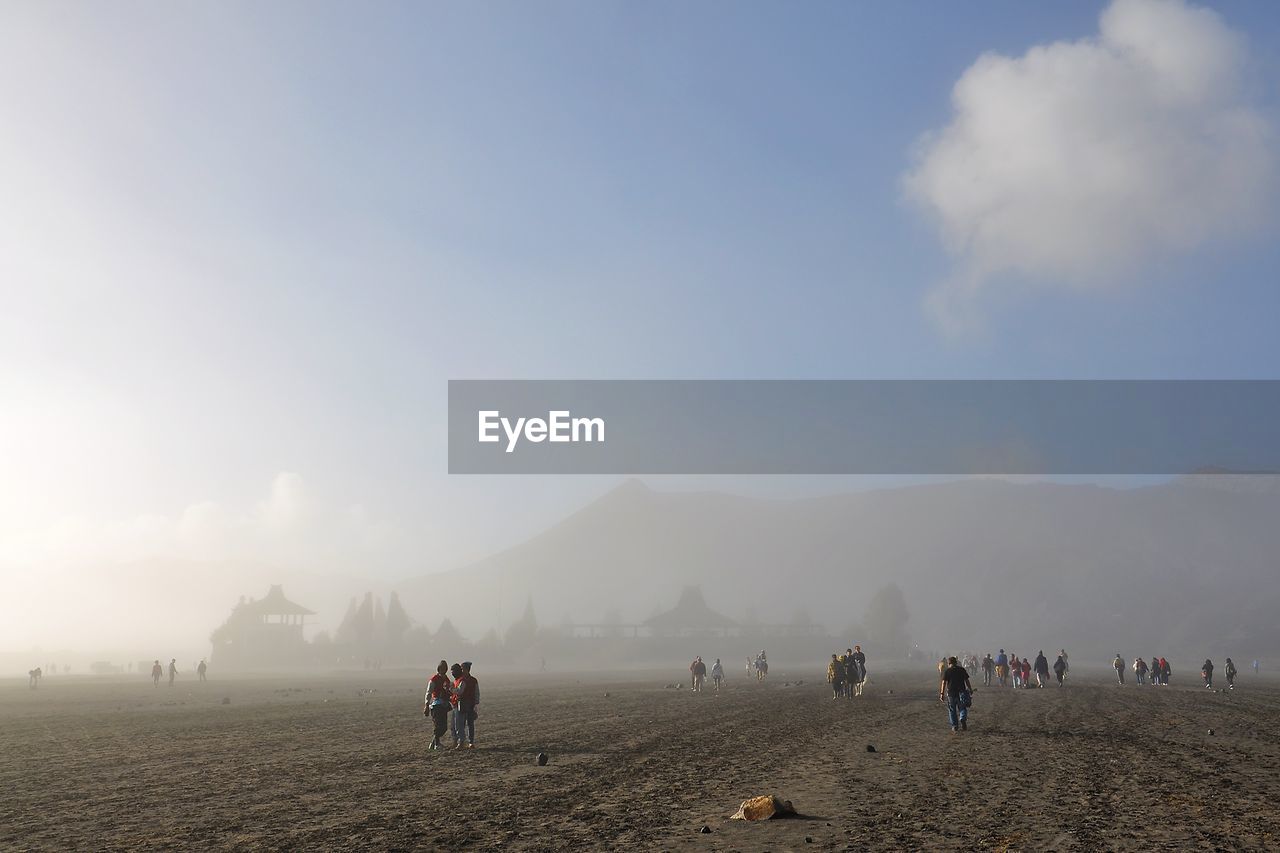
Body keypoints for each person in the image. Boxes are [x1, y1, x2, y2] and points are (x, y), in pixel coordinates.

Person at [423, 660, 452, 751]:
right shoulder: (434, 679)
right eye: (442, 668)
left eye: (445, 668)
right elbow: (429, 692)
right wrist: (426, 705)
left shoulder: (446, 679)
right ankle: (436, 744)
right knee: (439, 726)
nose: (444, 669)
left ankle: (434, 743)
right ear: (439, 668)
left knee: (444, 727)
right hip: (436, 705)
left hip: (444, 705)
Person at [939, 656, 973, 733]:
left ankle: (954, 726)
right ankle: (962, 718)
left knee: (952, 710)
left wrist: (941, 693)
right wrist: (970, 689)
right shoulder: (962, 670)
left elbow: (944, 683)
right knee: (962, 707)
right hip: (961, 692)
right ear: (956, 662)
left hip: (951, 693)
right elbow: (966, 680)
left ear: (949, 663)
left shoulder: (947, 671)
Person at [452, 662, 479, 749]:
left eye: (462, 669)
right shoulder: (461, 679)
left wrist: (475, 704)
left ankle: (470, 742)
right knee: (461, 723)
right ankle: (462, 741)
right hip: (462, 704)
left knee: (470, 723)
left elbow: (476, 692)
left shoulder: (472, 680)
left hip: (470, 704)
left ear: (466, 669)